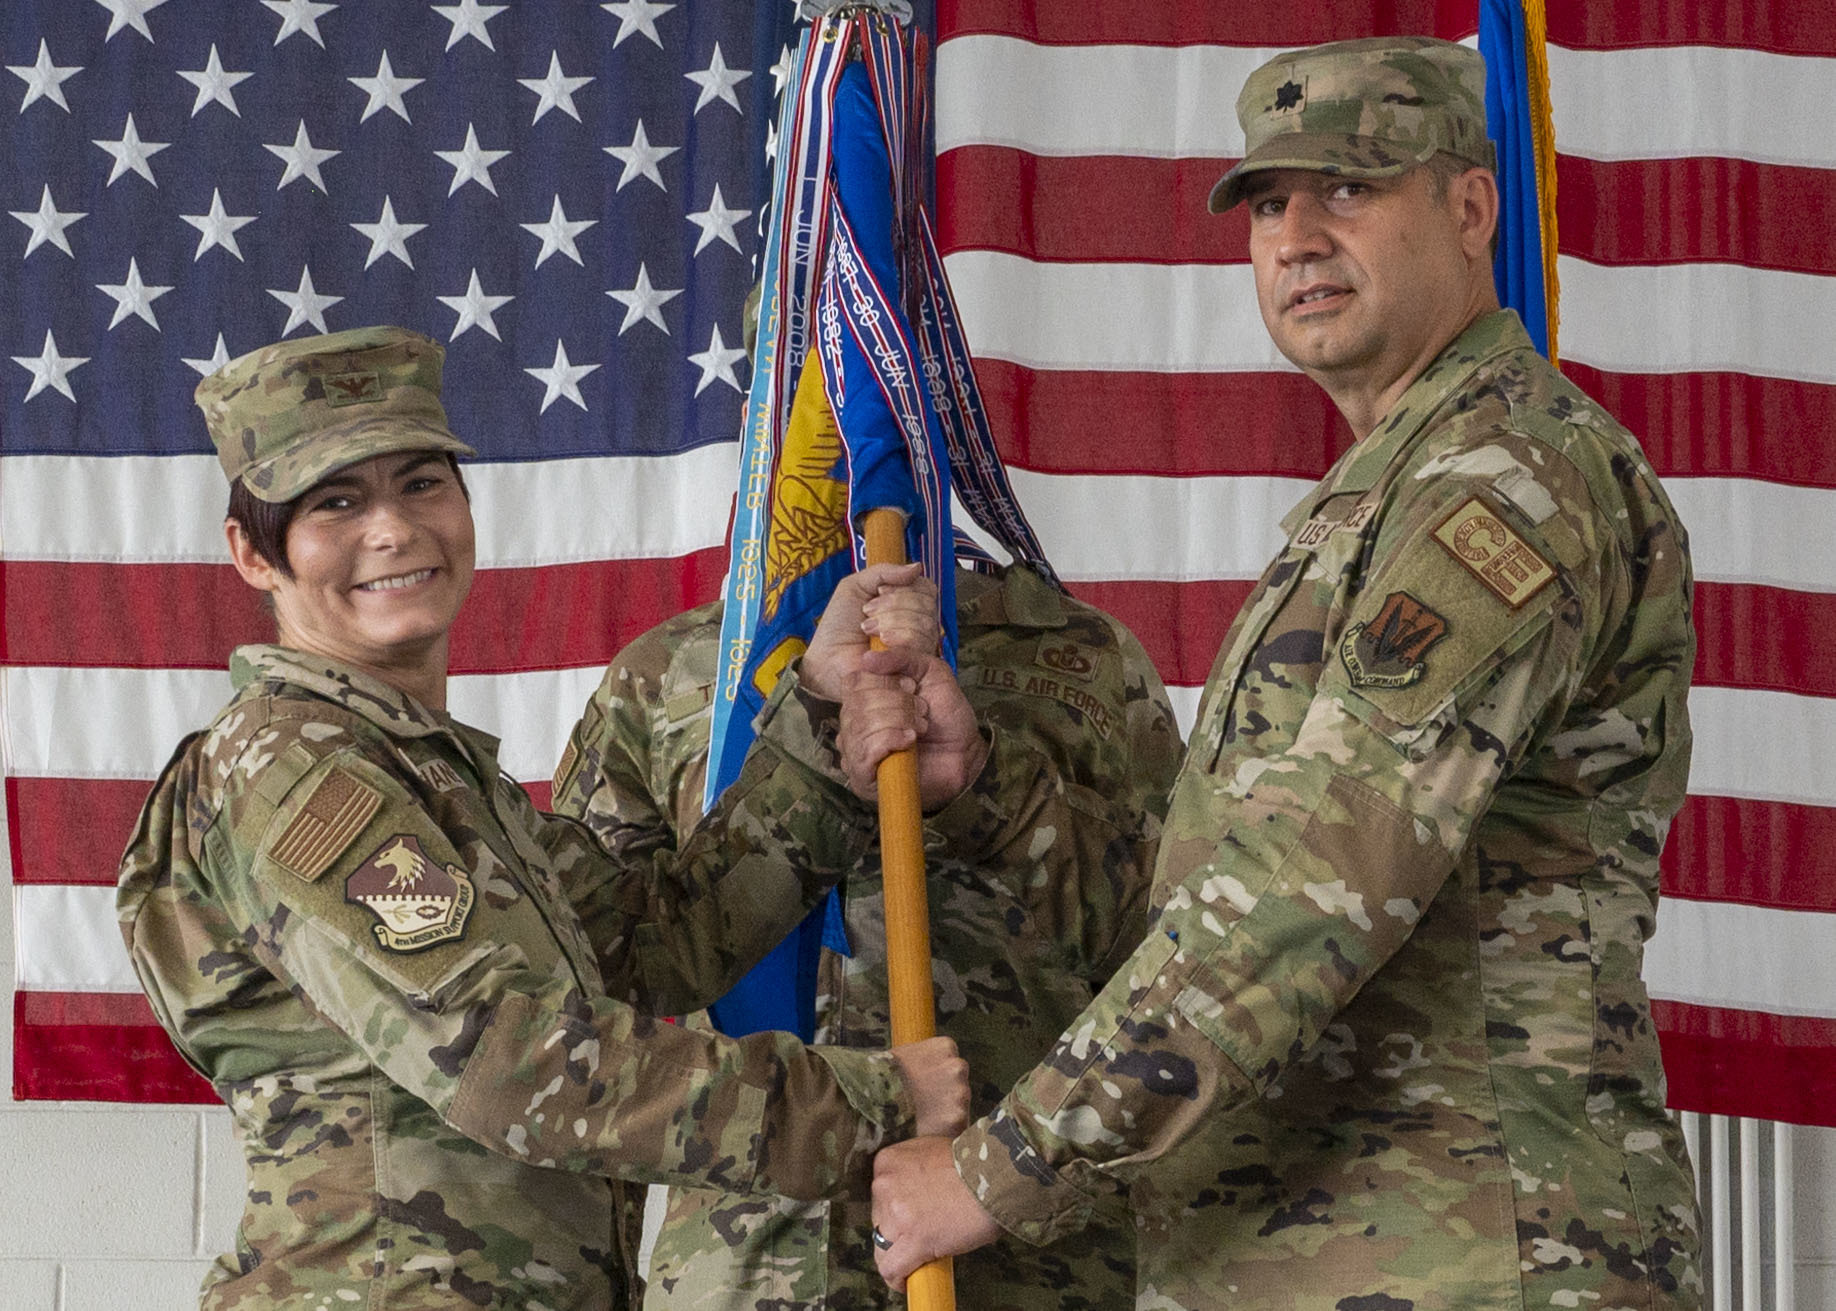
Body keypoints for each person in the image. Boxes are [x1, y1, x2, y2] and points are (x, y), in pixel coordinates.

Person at [858, 36, 1703, 1311]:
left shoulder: (1507, 483)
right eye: (1267, 203)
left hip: (1475, 1255)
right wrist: (987, 798)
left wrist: (1004, 1167)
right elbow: (1213, 884)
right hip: (1319, 1253)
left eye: (1350, 189)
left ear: (1471, 209)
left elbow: (1319, 880)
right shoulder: (1378, 503)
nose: (1297, 236)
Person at [115, 325, 968, 1310]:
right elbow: (513, 1065)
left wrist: (818, 715)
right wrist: (868, 1103)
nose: (391, 529)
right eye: (335, 503)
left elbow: (662, 945)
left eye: (422, 483)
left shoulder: (437, 780)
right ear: (253, 554)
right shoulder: (298, 772)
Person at [552, 559, 1182, 1309]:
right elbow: (591, 1006)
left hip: (1028, 1254)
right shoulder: (667, 673)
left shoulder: (1087, 654)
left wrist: (992, 788)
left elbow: (1178, 958)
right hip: (743, 1265)